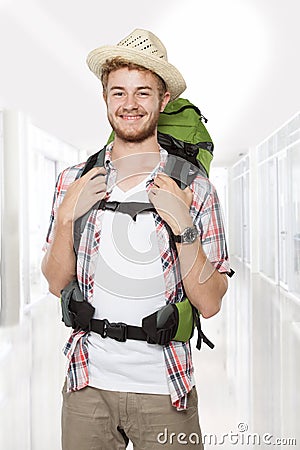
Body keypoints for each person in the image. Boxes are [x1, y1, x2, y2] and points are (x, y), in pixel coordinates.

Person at [42, 28, 231, 450]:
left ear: (163, 101)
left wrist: (184, 227)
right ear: (105, 98)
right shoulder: (73, 180)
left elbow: (211, 302)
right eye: (118, 93)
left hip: (167, 387)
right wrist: (66, 214)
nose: (129, 105)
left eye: (143, 93)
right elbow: (56, 283)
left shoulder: (195, 188)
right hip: (86, 385)